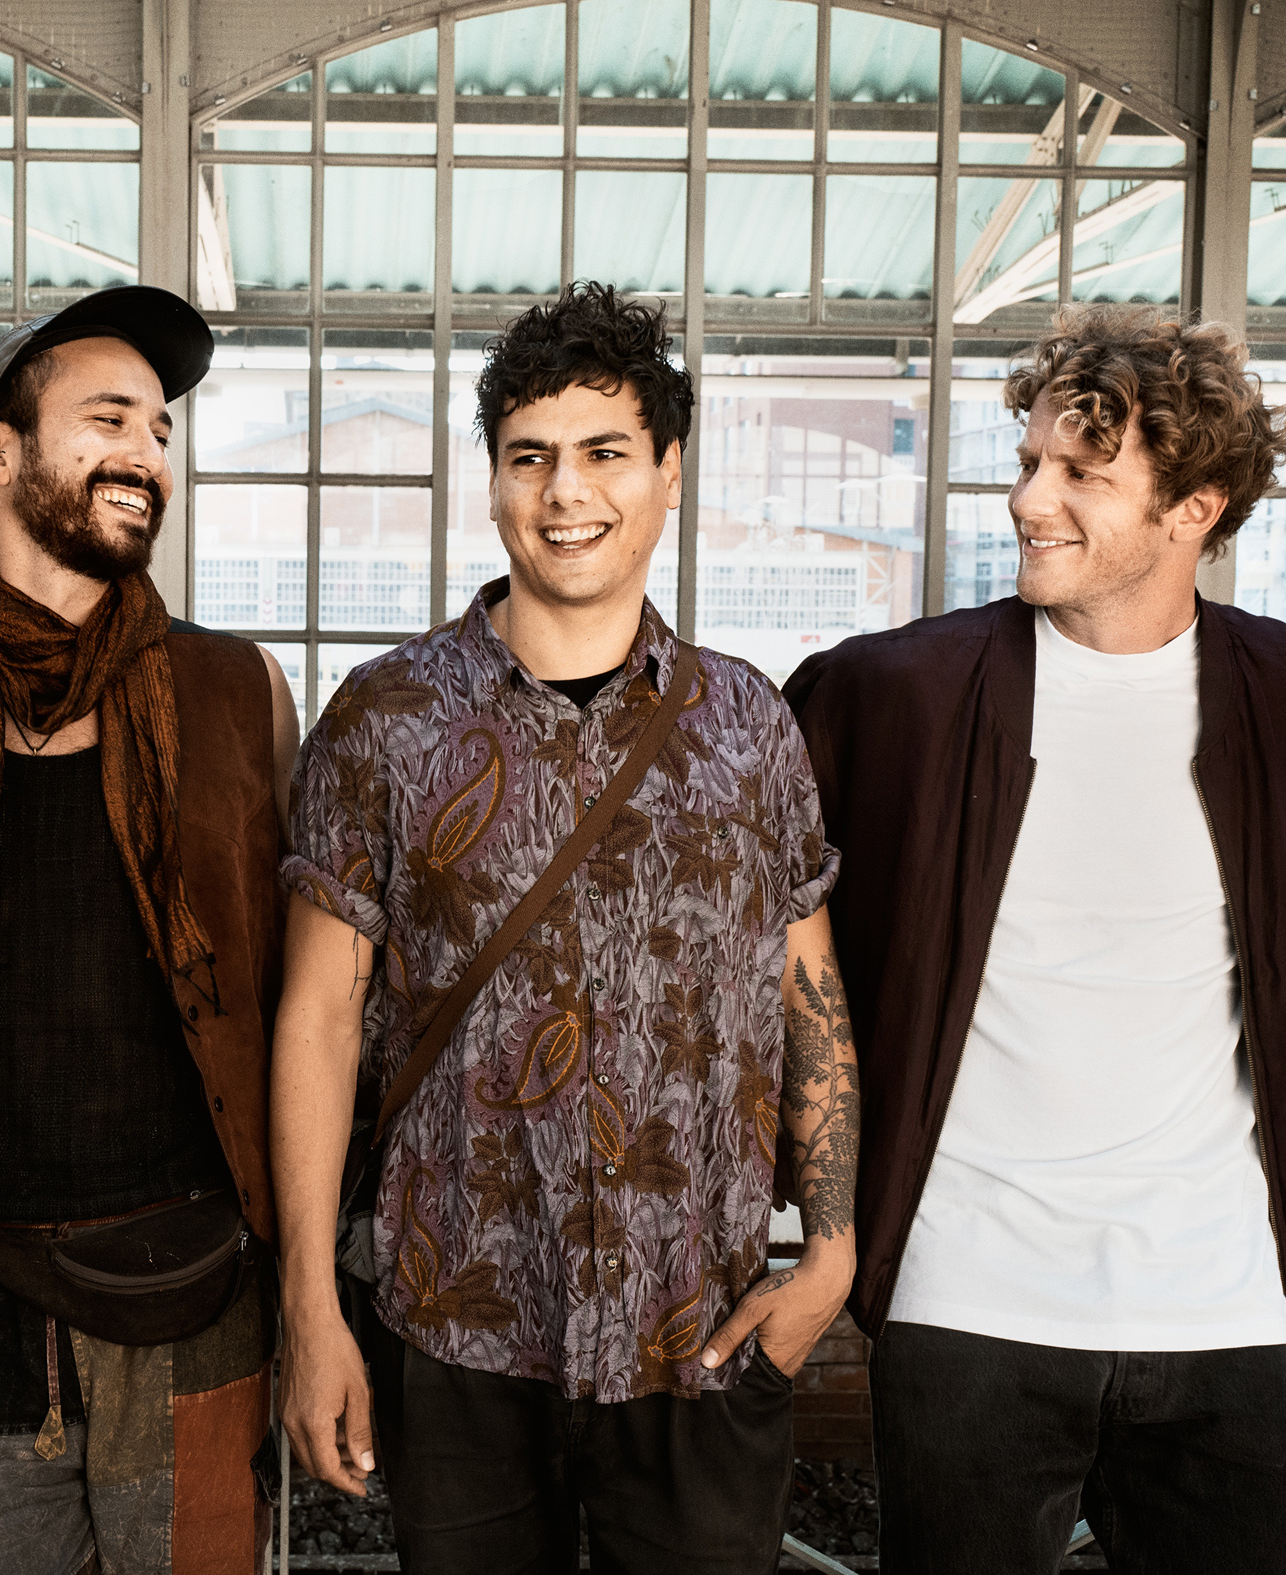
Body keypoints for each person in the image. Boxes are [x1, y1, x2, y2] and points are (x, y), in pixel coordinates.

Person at [786, 304, 1286, 1575]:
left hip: (1220, 1300)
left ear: (1195, 510)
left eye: (1082, 475)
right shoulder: (893, 692)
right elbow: (788, 921)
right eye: (1028, 463)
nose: (1028, 501)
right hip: (968, 1296)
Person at [271, 281, 860, 1574]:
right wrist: (309, 1306)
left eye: (604, 452)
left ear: (667, 474)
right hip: (458, 1320)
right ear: (491, 481)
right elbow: (316, 1017)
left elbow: (805, 992)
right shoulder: (385, 718)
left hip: (695, 1320)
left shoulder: (746, 724)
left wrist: (830, 1251)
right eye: (529, 456)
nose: (565, 491)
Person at [0, 284, 299, 1575]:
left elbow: (297, 987)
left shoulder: (235, 688)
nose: (146, 452)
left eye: (159, 429)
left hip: (189, 1271)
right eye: (108, 419)